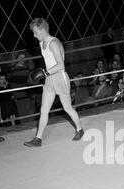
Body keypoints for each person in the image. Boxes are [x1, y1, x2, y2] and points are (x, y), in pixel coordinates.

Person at [24, 18, 84, 147]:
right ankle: (38, 139)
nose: (34, 35)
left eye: (35, 32)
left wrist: (45, 72)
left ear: (42, 30)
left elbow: (61, 65)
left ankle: (79, 129)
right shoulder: (42, 43)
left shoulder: (53, 43)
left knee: (67, 108)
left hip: (60, 78)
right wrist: (46, 74)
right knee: (44, 110)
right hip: (49, 79)